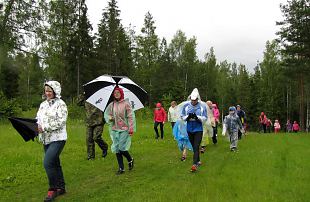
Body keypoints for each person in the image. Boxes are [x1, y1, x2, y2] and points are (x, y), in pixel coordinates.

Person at [36, 81, 67, 202]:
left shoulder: (61, 104)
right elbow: (38, 118)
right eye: (46, 90)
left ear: (55, 91)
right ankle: (61, 187)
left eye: (50, 91)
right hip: (46, 139)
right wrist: (35, 125)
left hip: (58, 138)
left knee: (47, 163)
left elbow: (61, 121)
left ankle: (52, 189)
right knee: (55, 163)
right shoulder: (43, 104)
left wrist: (44, 127)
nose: (47, 93)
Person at [104, 87, 135, 175]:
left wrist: (131, 128)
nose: (116, 94)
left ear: (121, 93)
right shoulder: (112, 104)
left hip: (124, 129)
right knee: (117, 149)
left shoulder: (126, 103)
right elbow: (108, 115)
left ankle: (130, 159)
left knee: (121, 148)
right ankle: (121, 168)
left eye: (118, 92)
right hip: (115, 129)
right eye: (115, 93)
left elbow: (130, 116)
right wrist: (110, 118)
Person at [181, 88, 207, 172]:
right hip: (189, 129)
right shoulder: (186, 106)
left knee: (196, 146)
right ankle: (198, 161)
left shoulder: (202, 106)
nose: (193, 102)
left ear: (197, 99)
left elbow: (205, 118)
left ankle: (194, 164)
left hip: (198, 129)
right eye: (192, 100)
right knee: (194, 147)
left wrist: (197, 117)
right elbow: (182, 116)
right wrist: (187, 117)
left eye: (194, 100)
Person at [77, 94, 108, 160]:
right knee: (89, 139)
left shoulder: (100, 97)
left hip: (99, 121)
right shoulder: (86, 98)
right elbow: (78, 103)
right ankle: (90, 157)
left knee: (96, 137)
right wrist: (83, 95)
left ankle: (104, 147)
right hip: (89, 122)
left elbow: (106, 105)